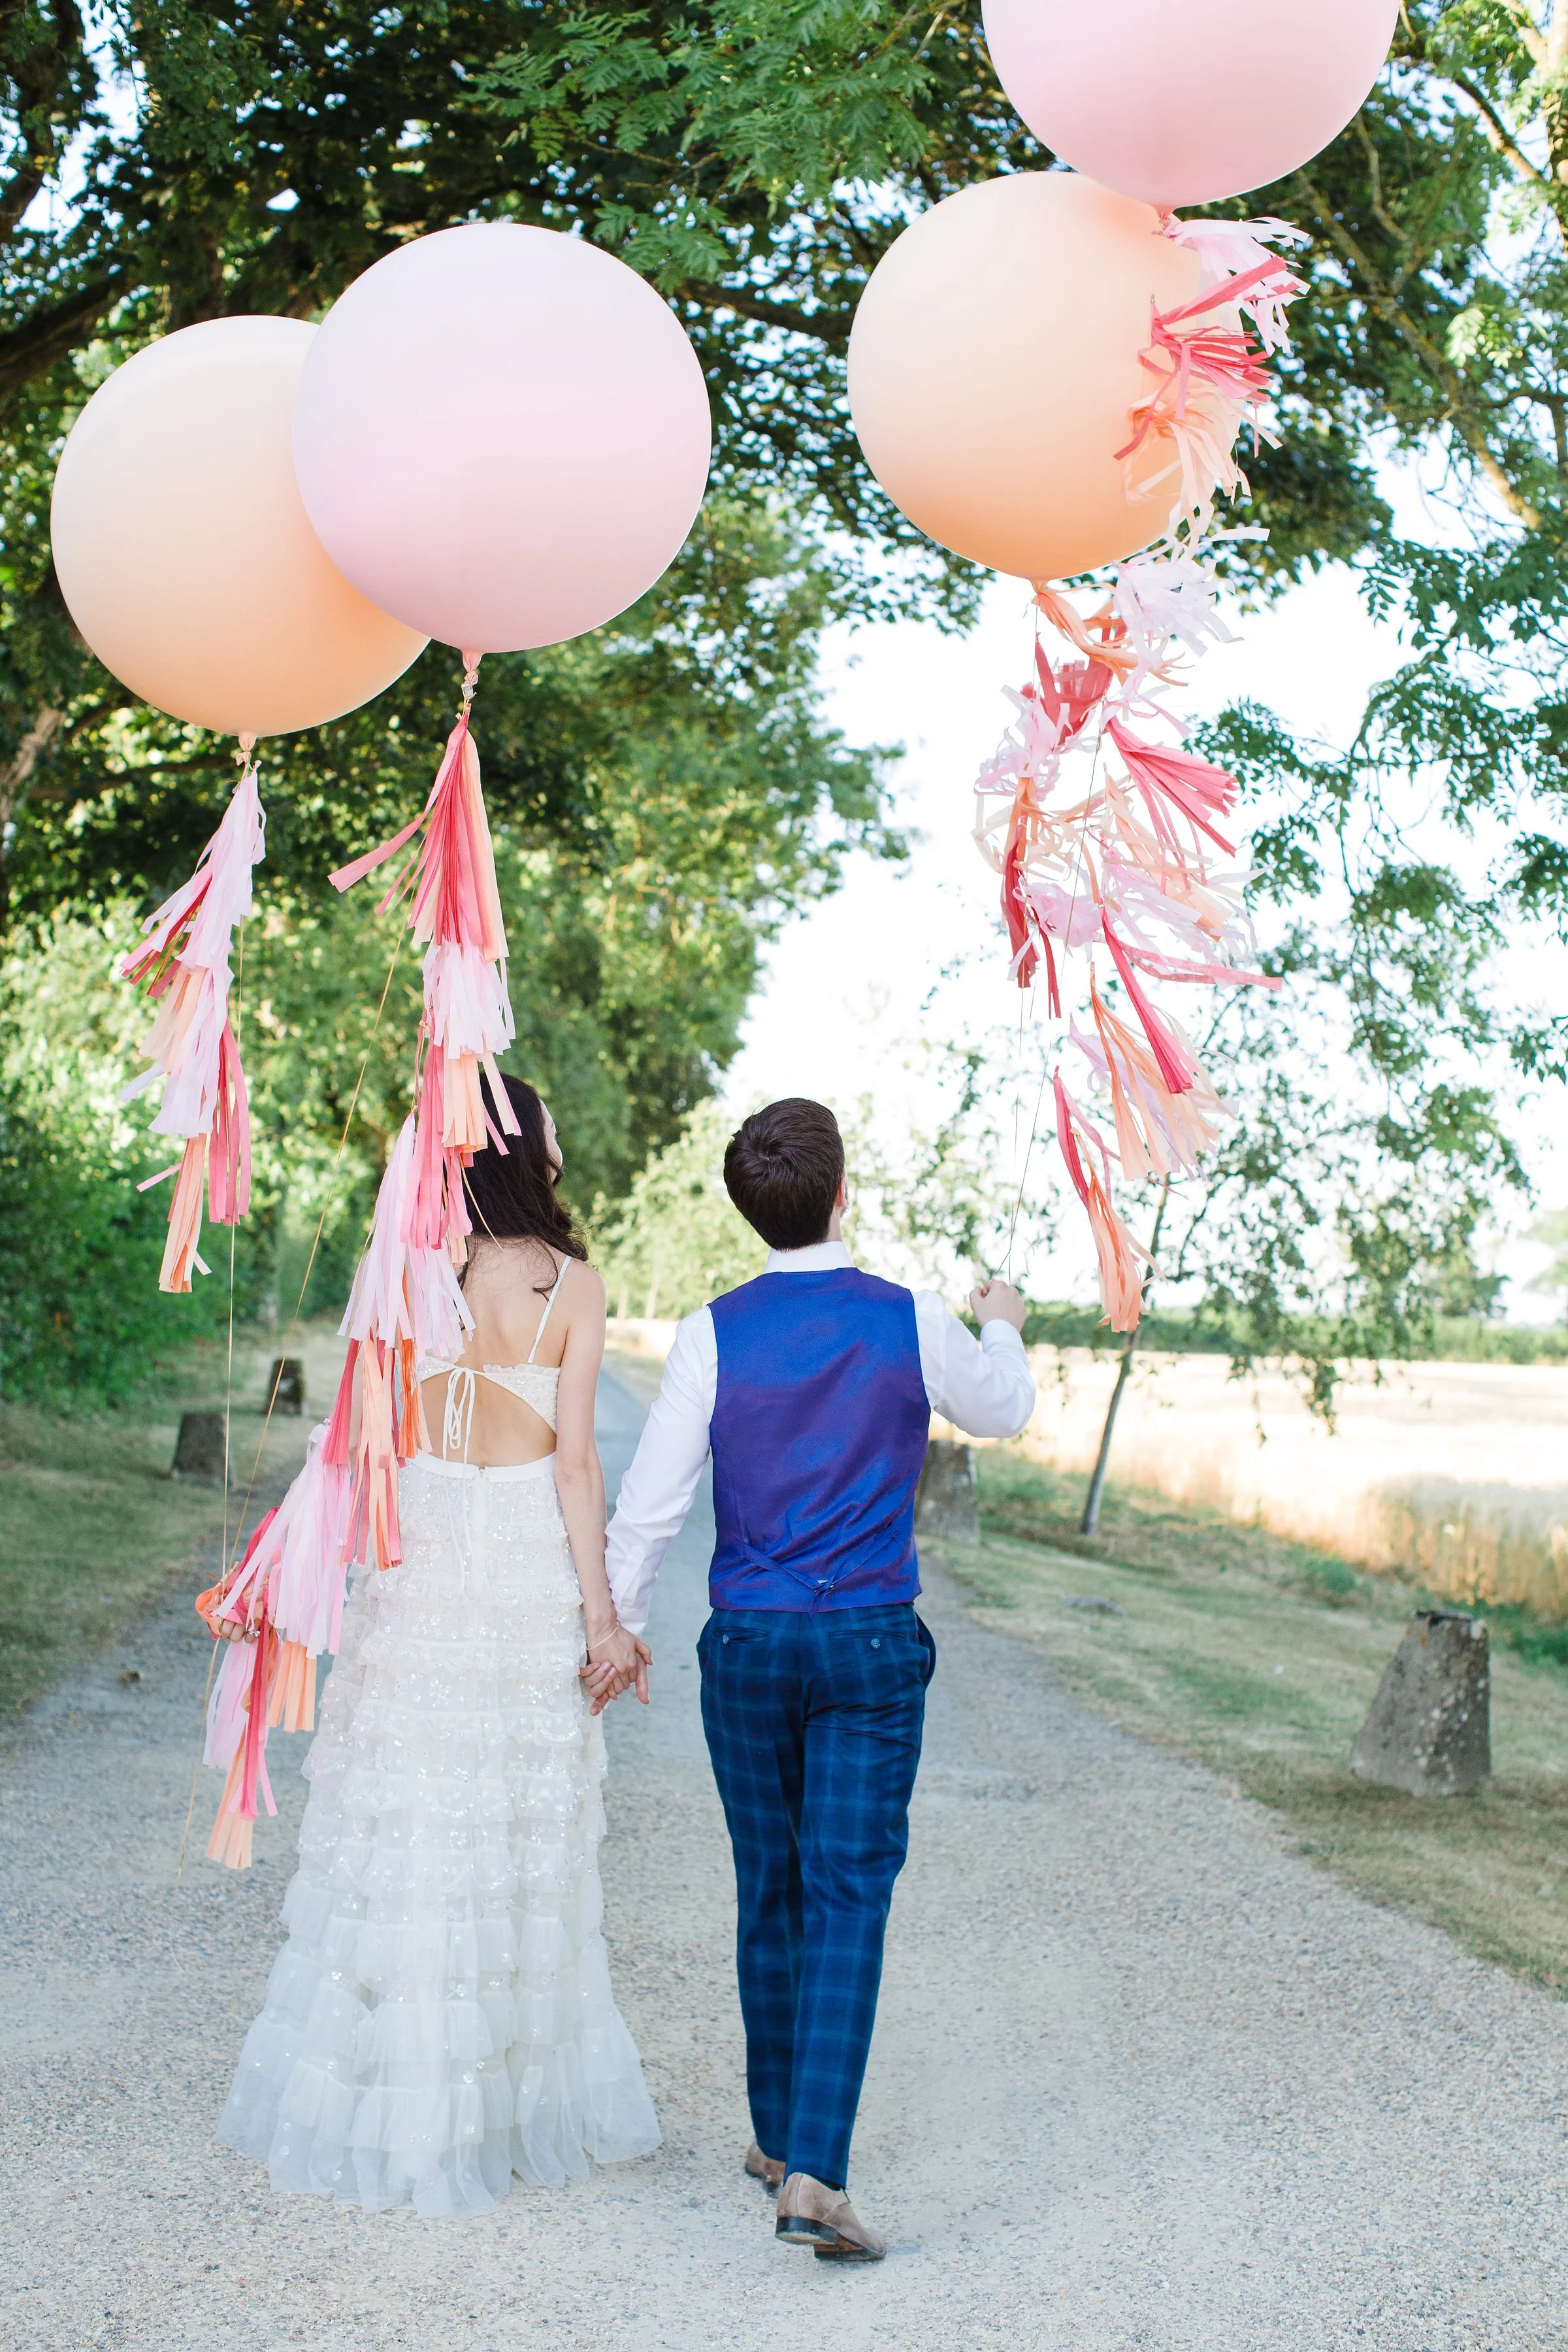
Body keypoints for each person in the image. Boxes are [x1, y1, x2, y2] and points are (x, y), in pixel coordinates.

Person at [216, 1077, 660, 2216]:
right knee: (513, 1817)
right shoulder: (572, 1285)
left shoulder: (408, 1268)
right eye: (549, 1121)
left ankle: (383, 2081)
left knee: (405, 1803)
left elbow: (367, 1432)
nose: (561, 1136)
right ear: (526, 1145)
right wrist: (602, 1616)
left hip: (418, 1547)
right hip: (517, 1558)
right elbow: (574, 1466)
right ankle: (497, 2104)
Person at [603, 1096, 1035, 2261]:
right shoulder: (908, 1319)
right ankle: (816, 2176)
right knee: (848, 1891)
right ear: (843, 1193)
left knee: (770, 1884)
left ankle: (776, 2138)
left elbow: (648, 1507)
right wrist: (1002, 1320)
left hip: (747, 1644)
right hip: (867, 1646)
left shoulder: (714, 1332)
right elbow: (1004, 1408)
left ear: (754, 1210)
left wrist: (618, 1625)